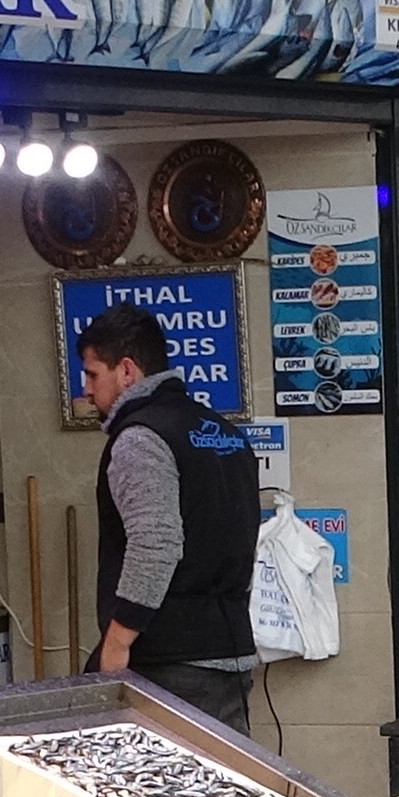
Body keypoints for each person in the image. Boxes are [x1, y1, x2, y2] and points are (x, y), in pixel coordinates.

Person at [77, 303, 259, 730]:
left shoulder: (141, 438)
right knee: (228, 790)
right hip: (230, 655)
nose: (87, 390)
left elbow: (155, 544)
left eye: (92, 374)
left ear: (126, 371)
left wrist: (117, 644)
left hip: (168, 665)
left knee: (163, 794)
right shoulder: (226, 434)